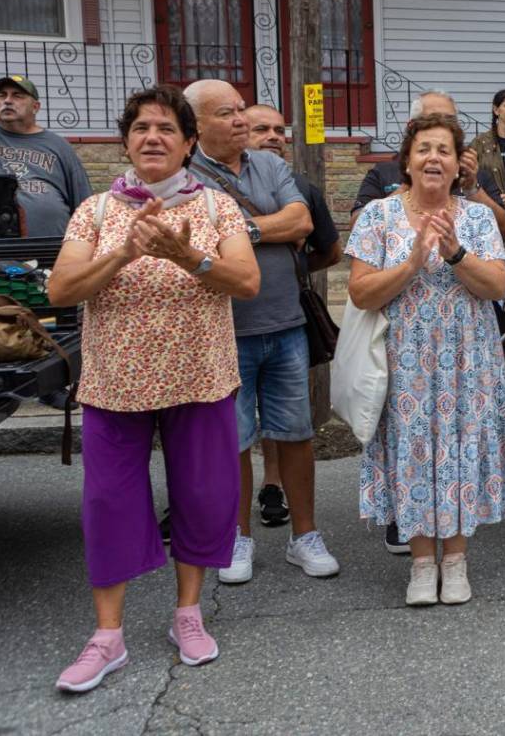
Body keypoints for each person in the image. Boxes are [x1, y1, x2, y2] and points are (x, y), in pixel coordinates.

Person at [47, 85, 261, 692]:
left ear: (190, 143)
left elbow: (245, 281)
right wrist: (121, 257)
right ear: (126, 141)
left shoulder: (216, 208)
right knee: (108, 502)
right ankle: (107, 636)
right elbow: (61, 291)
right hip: (116, 383)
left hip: (200, 376)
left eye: (167, 128)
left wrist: (186, 255)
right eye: (141, 128)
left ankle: (188, 614)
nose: (152, 138)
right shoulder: (95, 211)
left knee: (202, 494)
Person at [347, 114, 505, 604]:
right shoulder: (378, 216)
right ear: (406, 160)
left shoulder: (477, 218)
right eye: (423, 148)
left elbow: (496, 285)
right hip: (404, 358)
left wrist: (453, 252)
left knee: (461, 449)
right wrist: (408, 265)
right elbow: (361, 293)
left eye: (444, 150)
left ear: (457, 165)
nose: (433, 158)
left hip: (468, 358)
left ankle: (457, 559)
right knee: (412, 449)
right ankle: (422, 563)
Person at [183, 79, 339, 584]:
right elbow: (196, 241)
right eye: (226, 113)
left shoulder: (269, 165)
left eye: (240, 110)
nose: (240, 121)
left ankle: (305, 536)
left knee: (296, 435)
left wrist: (242, 230)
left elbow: (299, 222)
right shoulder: (186, 179)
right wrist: (267, 226)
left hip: (286, 324)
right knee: (234, 441)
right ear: (197, 125)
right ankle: (238, 537)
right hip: (222, 333)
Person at [237, 104, 343, 529]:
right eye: (261, 128)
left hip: (286, 319)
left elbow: (329, 249)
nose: (274, 136)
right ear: (240, 133)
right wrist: (276, 233)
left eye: (280, 130)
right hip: (233, 325)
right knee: (233, 432)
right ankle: (233, 526)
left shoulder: (300, 186)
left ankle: (274, 487)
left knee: (290, 425)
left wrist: (292, 270)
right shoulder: (206, 183)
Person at [0, 66, 92, 237]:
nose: (8, 101)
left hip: (51, 251)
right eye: (2, 95)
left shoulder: (59, 146)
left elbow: (86, 205)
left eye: (17, 95)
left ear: (35, 107)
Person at [350, 90, 505, 235]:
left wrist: (472, 188)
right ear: (411, 127)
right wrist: (411, 182)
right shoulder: (383, 172)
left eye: (450, 121)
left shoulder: (475, 174)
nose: (442, 128)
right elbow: (357, 227)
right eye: (433, 120)